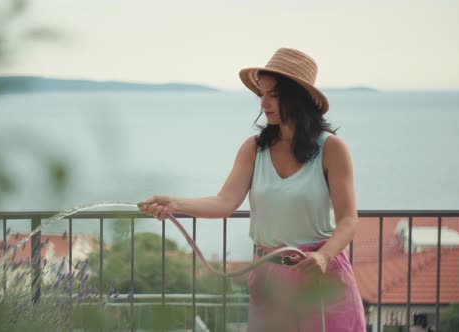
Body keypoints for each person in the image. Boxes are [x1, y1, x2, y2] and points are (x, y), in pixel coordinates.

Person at [139, 48, 366, 331]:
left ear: (297, 98)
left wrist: (324, 255)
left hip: (320, 276)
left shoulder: (331, 148)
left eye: (273, 95)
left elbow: (348, 219)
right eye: (262, 94)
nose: (263, 104)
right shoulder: (253, 148)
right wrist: (173, 203)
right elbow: (225, 201)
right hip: (270, 277)